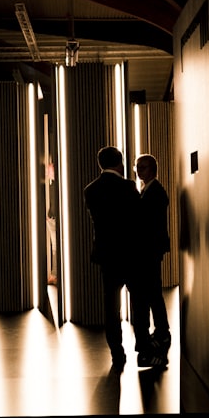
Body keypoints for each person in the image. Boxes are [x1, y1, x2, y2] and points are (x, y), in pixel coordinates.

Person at [83, 146, 164, 369]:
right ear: (120, 163)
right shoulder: (128, 187)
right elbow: (138, 221)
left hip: (107, 256)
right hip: (131, 255)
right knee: (139, 303)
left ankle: (117, 353)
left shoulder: (91, 190)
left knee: (111, 306)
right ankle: (143, 349)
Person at [131, 153, 172, 359]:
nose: (139, 171)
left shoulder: (154, 192)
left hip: (149, 250)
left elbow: (148, 224)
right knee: (154, 291)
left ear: (153, 169)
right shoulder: (149, 190)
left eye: (143, 167)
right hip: (151, 250)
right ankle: (162, 331)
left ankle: (162, 331)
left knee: (152, 292)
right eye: (137, 167)